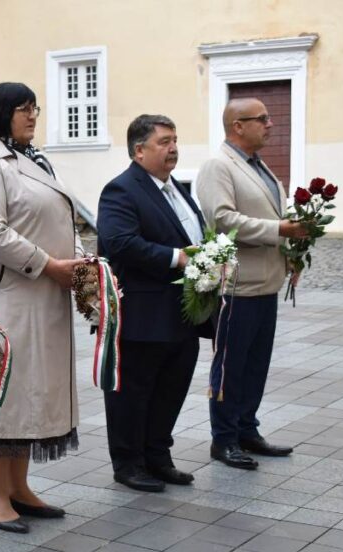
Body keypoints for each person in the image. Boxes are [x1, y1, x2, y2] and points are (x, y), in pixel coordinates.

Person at [0, 82, 86, 534]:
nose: (32, 116)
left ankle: (20, 487)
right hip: (2, 299)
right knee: (3, 393)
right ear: (0, 113)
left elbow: (60, 219)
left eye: (35, 108)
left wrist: (78, 260)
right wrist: (48, 264)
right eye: (22, 109)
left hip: (39, 295)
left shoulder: (34, 158)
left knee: (30, 393)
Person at [97, 114, 212, 492]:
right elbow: (120, 243)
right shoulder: (121, 190)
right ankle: (128, 464)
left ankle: (158, 457)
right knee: (133, 394)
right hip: (142, 316)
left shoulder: (175, 188)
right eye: (164, 142)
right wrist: (177, 258)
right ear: (139, 150)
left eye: (175, 140)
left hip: (183, 313)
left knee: (170, 390)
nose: (173, 148)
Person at [196, 98, 308, 470]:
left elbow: (270, 214)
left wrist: (291, 253)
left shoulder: (259, 166)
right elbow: (223, 220)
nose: (270, 124)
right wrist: (280, 230)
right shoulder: (218, 166)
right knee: (231, 366)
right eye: (262, 119)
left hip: (266, 284)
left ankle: (246, 429)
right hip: (237, 287)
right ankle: (224, 439)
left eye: (268, 118)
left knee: (256, 365)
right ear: (238, 125)